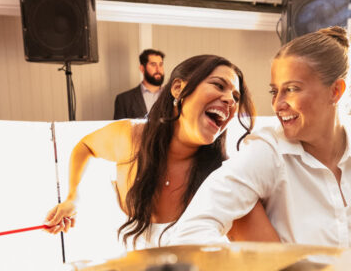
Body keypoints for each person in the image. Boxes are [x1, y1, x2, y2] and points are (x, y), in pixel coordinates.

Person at [167, 27, 351, 268]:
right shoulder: (267, 152)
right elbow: (192, 230)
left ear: (335, 91)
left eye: (292, 89)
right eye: (275, 91)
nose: (278, 103)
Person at [45, 54, 277, 248]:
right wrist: (73, 198)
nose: (230, 101)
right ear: (177, 88)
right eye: (219, 85)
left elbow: (274, 260)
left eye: (236, 97)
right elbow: (85, 146)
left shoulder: (225, 181)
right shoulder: (130, 138)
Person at [113, 49, 165, 119]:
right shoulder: (124, 100)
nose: (158, 69)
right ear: (142, 69)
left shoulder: (173, 97)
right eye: (153, 65)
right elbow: (119, 126)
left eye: (161, 65)